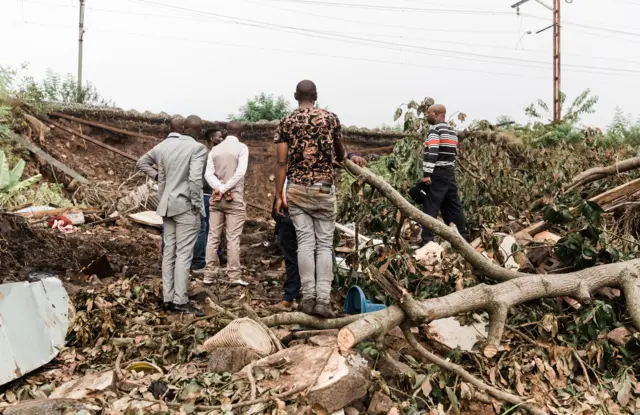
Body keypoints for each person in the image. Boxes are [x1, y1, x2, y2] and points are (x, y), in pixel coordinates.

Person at [274, 80, 346, 318]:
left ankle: (307, 298)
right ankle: (323, 301)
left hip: (296, 188)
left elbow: (282, 162)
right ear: (316, 96)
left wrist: (278, 195)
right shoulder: (331, 119)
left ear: (296, 96)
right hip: (324, 188)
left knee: (305, 243)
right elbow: (340, 154)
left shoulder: (287, 122)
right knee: (324, 244)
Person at [272, 152, 366, 311]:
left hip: (303, 204)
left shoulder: (312, 147)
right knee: (302, 253)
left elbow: (338, 153)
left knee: (313, 250)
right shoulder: (296, 153)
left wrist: (351, 156)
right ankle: (297, 296)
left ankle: (315, 297)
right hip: (290, 212)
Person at [137, 115, 207, 315]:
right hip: (185, 206)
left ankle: (168, 298)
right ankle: (180, 300)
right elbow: (194, 180)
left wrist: (157, 176)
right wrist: (196, 205)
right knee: (184, 254)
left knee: (169, 253)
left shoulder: (163, 146)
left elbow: (141, 162)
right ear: (199, 131)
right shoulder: (197, 148)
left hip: (166, 205)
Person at [204, 121, 249, 285]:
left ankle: (209, 276)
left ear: (225, 132)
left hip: (215, 198)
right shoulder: (242, 148)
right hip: (233, 198)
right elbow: (240, 173)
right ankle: (234, 276)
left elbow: (208, 175)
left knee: (213, 237)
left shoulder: (214, 150)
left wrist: (219, 188)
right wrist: (225, 189)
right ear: (241, 133)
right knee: (232, 238)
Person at [421, 104, 469, 244]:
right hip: (449, 172)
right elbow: (453, 153)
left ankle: (427, 240)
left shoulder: (435, 130)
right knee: (453, 205)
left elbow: (433, 152)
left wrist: (427, 173)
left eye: (429, 113)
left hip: (437, 173)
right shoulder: (452, 131)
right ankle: (462, 237)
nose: (427, 115)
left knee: (430, 206)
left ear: (436, 114)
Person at [192, 128, 226, 273]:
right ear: (212, 139)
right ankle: (206, 259)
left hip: (211, 193)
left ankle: (216, 255)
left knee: (213, 226)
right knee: (207, 227)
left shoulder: (212, 153)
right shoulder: (207, 154)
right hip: (207, 194)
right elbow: (204, 177)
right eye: (220, 137)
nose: (222, 139)